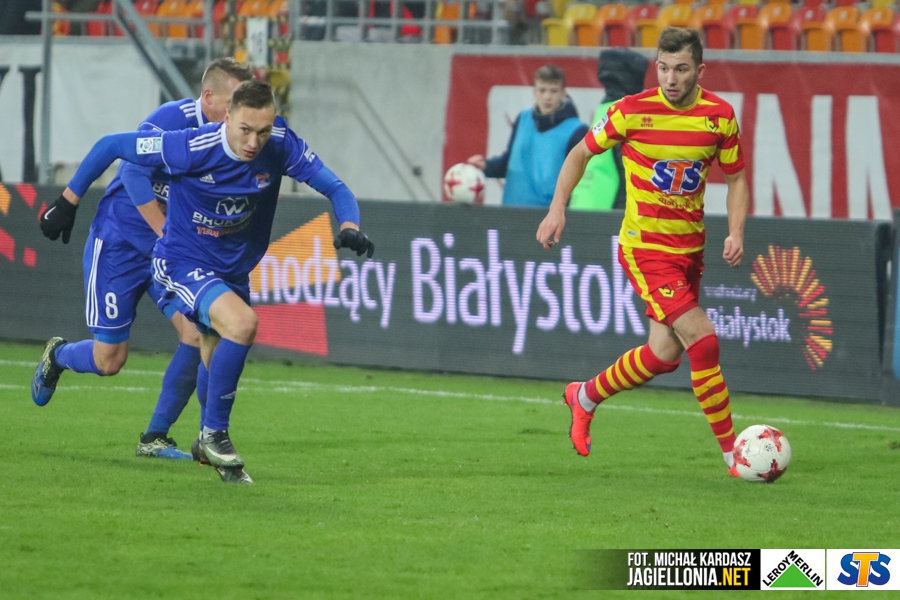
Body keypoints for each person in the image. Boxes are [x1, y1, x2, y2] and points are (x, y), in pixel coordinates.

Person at [37, 80, 374, 483]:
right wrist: (68, 201)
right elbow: (113, 146)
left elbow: (335, 187)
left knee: (213, 352)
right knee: (240, 324)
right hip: (181, 260)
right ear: (227, 117)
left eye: (263, 131)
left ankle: (196, 441)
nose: (254, 142)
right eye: (245, 130)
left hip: (230, 270)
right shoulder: (190, 146)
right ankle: (214, 434)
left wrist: (350, 225)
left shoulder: (281, 143)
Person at [535, 27, 749, 477]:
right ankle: (736, 456)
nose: (670, 78)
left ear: (700, 71)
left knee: (663, 354)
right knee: (704, 342)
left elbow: (735, 179)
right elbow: (579, 154)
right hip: (645, 249)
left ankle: (584, 395)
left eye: (681, 69)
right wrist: (557, 209)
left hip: (690, 250)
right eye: (664, 68)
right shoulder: (630, 111)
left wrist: (735, 231)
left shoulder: (720, 117)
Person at [33, 58, 254, 461]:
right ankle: (58, 355)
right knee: (109, 360)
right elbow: (133, 171)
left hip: (167, 254)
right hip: (119, 242)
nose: (241, 111)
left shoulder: (232, 138)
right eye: (234, 101)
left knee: (196, 333)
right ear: (208, 96)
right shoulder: (173, 119)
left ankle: (157, 436)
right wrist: (71, 202)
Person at [468, 65, 588, 208]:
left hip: (548, 215)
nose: (547, 97)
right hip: (510, 211)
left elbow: (578, 180)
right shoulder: (523, 119)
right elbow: (510, 163)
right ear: (534, 92)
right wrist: (486, 166)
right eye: (542, 90)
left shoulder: (577, 130)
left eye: (553, 91)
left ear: (563, 93)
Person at [570, 48, 649, 211]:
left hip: (584, 202)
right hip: (610, 208)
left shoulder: (605, 108)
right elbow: (629, 171)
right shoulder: (624, 114)